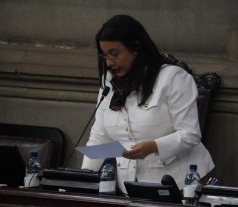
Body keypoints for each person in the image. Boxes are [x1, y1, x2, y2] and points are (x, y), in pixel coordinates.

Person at [81, 14, 214, 195]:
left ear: (135, 48)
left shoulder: (173, 78)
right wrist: (82, 178)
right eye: (104, 56)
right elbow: (100, 137)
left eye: (114, 54)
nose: (109, 63)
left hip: (182, 185)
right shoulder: (109, 83)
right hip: (130, 188)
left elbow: (190, 134)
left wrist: (153, 147)